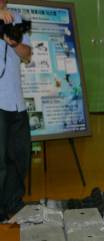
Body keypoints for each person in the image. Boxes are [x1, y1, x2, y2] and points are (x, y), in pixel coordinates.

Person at [0, 0, 32, 223]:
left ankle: (13, 202)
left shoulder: (16, 18)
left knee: (20, 157)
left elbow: (27, 53)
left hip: (16, 102)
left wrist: (13, 43)